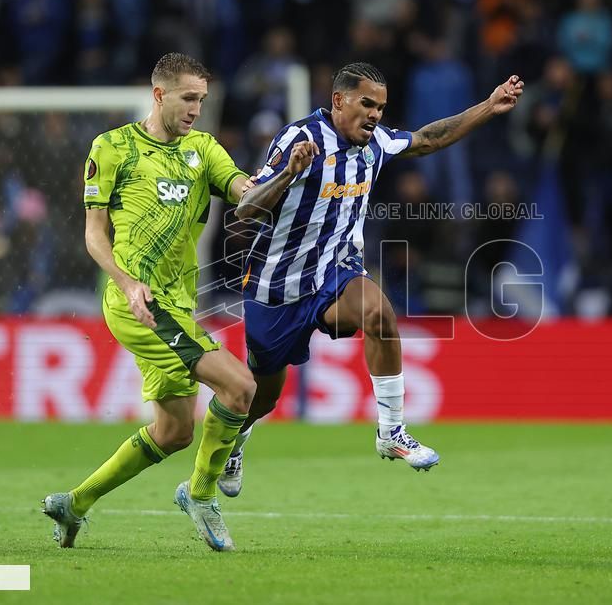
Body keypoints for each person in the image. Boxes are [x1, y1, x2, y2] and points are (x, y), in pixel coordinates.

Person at [222, 62, 523, 496]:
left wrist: (488, 107)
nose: (376, 115)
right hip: (277, 286)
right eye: (367, 104)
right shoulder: (300, 139)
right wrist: (289, 173)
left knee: (380, 314)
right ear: (339, 100)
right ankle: (235, 439)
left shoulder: (376, 143)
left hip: (337, 271)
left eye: (381, 107)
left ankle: (391, 431)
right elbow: (246, 207)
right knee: (262, 396)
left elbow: (427, 138)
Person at [42, 53, 256, 552]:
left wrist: (284, 176)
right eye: (188, 98)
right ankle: (201, 495)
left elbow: (244, 190)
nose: (196, 110)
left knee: (176, 431)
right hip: (134, 302)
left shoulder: (203, 149)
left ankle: (74, 504)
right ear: (159, 95)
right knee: (240, 386)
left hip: (178, 305)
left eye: (201, 100)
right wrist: (126, 281)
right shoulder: (112, 146)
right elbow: (95, 235)